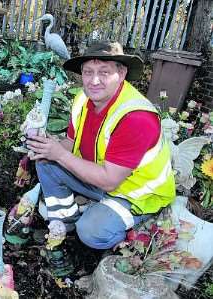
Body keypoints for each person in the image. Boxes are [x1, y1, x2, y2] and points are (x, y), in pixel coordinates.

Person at [26, 41, 176, 250]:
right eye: (88, 72)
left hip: (136, 195)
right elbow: (70, 142)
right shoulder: (83, 99)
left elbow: (109, 181)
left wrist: (59, 155)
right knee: (45, 161)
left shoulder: (136, 117)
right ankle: (65, 222)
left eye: (104, 72)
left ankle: (133, 231)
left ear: (121, 73)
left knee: (92, 232)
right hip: (98, 176)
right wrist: (47, 147)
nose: (94, 81)